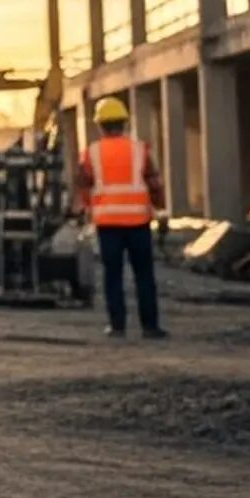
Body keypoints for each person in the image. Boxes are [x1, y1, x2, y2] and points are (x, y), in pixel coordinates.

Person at [78, 96, 167, 340]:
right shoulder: (140, 150)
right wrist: (161, 209)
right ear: (124, 123)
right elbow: (154, 183)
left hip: (108, 225)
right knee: (144, 275)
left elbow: (83, 185)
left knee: (112, 276)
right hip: (138, 222)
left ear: (100, 125)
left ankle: (117, 327)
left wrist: (87, 209)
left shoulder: (91, 153)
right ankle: (150, 327)